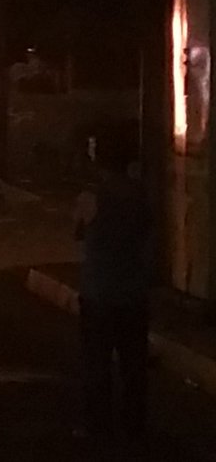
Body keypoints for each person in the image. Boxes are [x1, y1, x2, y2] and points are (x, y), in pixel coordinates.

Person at [73, 125, 152, 443]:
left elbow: (78, 231)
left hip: (99, 291)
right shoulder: (141, 193)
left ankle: (96, 425)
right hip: (133, 291)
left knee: (97, 363)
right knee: (134, 364)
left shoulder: (92, 196)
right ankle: (135, 425)